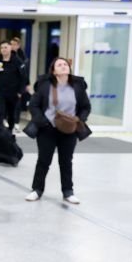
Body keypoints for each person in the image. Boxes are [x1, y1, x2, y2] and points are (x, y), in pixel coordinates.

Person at [25, 57, 90, 204]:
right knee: (43, 160)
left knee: (66, 161)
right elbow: (33, 105)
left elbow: (86, 106)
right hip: (47, 129)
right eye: (59, 65)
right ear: (54, 71)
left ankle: (68, 191)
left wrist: (79, 119)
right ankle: (37, 190)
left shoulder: (78, 86)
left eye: (65, 64)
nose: (63, 66)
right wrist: (42, 121)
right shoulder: (45, 85)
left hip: (69, 130)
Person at [0, 40, 28, 132]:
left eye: (6, 47)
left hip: (13, 92)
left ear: (10, 48)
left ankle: (10, 130)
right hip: (0, 91)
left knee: (11, 113)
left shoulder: (17, 61)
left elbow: (24, 77)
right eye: (2, 48)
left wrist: (20, 92)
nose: (3, 49)